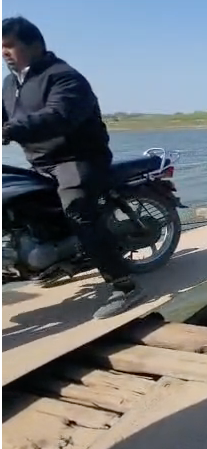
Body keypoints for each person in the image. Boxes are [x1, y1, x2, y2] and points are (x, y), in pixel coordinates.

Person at [1, 16, 143, 319]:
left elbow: (59, 115)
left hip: (77, 158)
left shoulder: (64, 77)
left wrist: (9, 131)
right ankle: (46, 259)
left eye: (10, 46)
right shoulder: (10, 83)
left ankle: (125, 285)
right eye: (1, 48)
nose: (4, 53)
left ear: (35, 45)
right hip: (40, 161)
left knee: (78, 212)